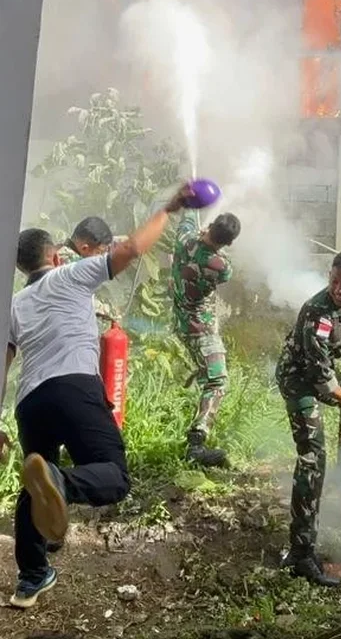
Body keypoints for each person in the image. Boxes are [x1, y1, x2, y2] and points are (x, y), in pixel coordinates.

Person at [0, 184, 191, 609]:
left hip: (30, 402)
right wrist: (169, 208)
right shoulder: (71, 274)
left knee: (34, 485)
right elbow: (132, 249)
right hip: (73, 386)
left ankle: (31, 578)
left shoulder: (13, 305)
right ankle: (62, 482)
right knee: (113, 476)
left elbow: (4, 363)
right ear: (55, 256)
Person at [276, 251, 341, 587]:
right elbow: (320, 376)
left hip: (323, 370)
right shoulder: (318, 313)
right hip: (298, 380)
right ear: (329, 276)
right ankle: (301, 553)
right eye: (334, 281)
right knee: (313, 458)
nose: (338, 289)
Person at [171, 208, 241, 468]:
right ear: (229, 243)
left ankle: (197, 439)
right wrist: (211, 242)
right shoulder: (219, 266)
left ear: (210, 226)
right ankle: (196, 443)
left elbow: (187, 218)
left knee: (209, 377)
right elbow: (227, 269)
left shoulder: (185, 240)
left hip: (181, 321)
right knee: (217, 380)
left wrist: (198, 225)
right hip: (201, 330)